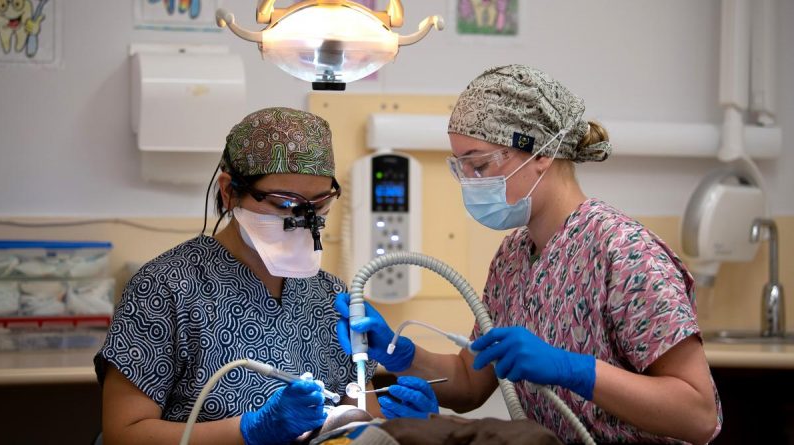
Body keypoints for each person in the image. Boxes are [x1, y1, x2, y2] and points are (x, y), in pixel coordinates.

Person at [336, 65, 722, 444]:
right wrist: (398, 353)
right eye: (461, 167)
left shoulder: (626, 254)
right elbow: (473, 382)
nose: (470, 182)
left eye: (480, 164)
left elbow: (699, 416)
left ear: (541, 153)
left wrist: (575, 370)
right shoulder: (513, 257)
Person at [96, 107, 394, 445]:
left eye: (319, 204)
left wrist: (394, 426)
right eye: (285, 204)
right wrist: (250, 430)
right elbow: (124, 434)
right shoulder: (165, 289)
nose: (305, 220)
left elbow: (362, 417)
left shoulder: (329, 294)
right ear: (229, 192)